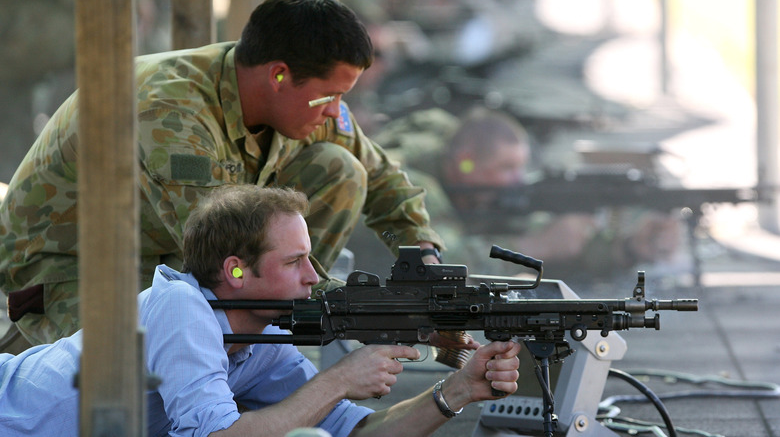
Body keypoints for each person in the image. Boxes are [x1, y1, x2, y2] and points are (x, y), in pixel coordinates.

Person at [0, 0, 446, 346]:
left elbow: (384, 179)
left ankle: (270, 332)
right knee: (152, 372)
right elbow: (223, 243)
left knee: (340, 169)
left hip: (167, 252)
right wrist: (354, 305)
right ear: (278, 76)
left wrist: (424, 261)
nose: (335, 111)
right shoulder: (171, 109)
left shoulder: (302, 100)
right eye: (327, 96)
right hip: (78, 267)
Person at [0, 185, 522, 437]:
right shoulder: (181, 308)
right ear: (234, 271)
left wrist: (457, 391)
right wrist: (337, 380)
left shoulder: (259, 337)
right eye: (294, 261)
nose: (313, 277)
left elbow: (358, 434)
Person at [348, 107, 681, 281]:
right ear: (464, 164)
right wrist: (532, 248)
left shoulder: (483, 193)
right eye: (506, 168)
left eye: (520, 167)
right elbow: (440, 265)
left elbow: (544, 233)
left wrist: (626, 248)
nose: (517, 180)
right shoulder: (407, 185)